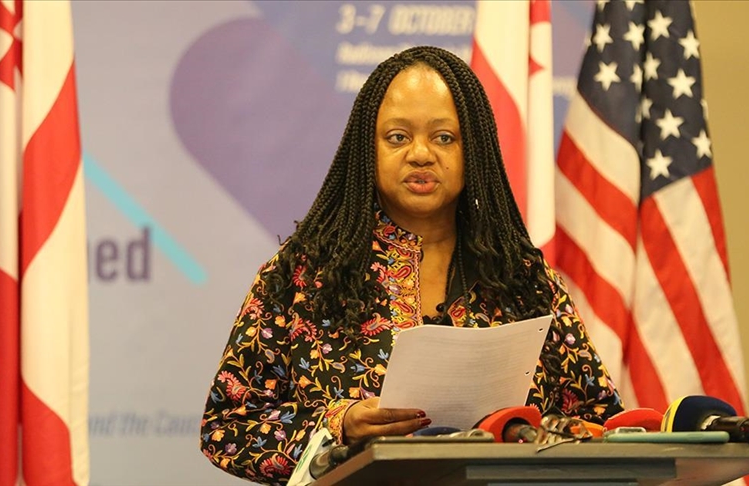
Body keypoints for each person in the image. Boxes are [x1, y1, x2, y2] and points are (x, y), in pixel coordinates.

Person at [200, 45, 623, 484]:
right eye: (398, 137)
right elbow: (227, 427)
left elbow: (599, 418)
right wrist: (339, 425)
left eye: (444, 138)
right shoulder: (302, 277)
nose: (421, 154)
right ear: (368, 149)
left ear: (473, 149)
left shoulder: (524, 280)